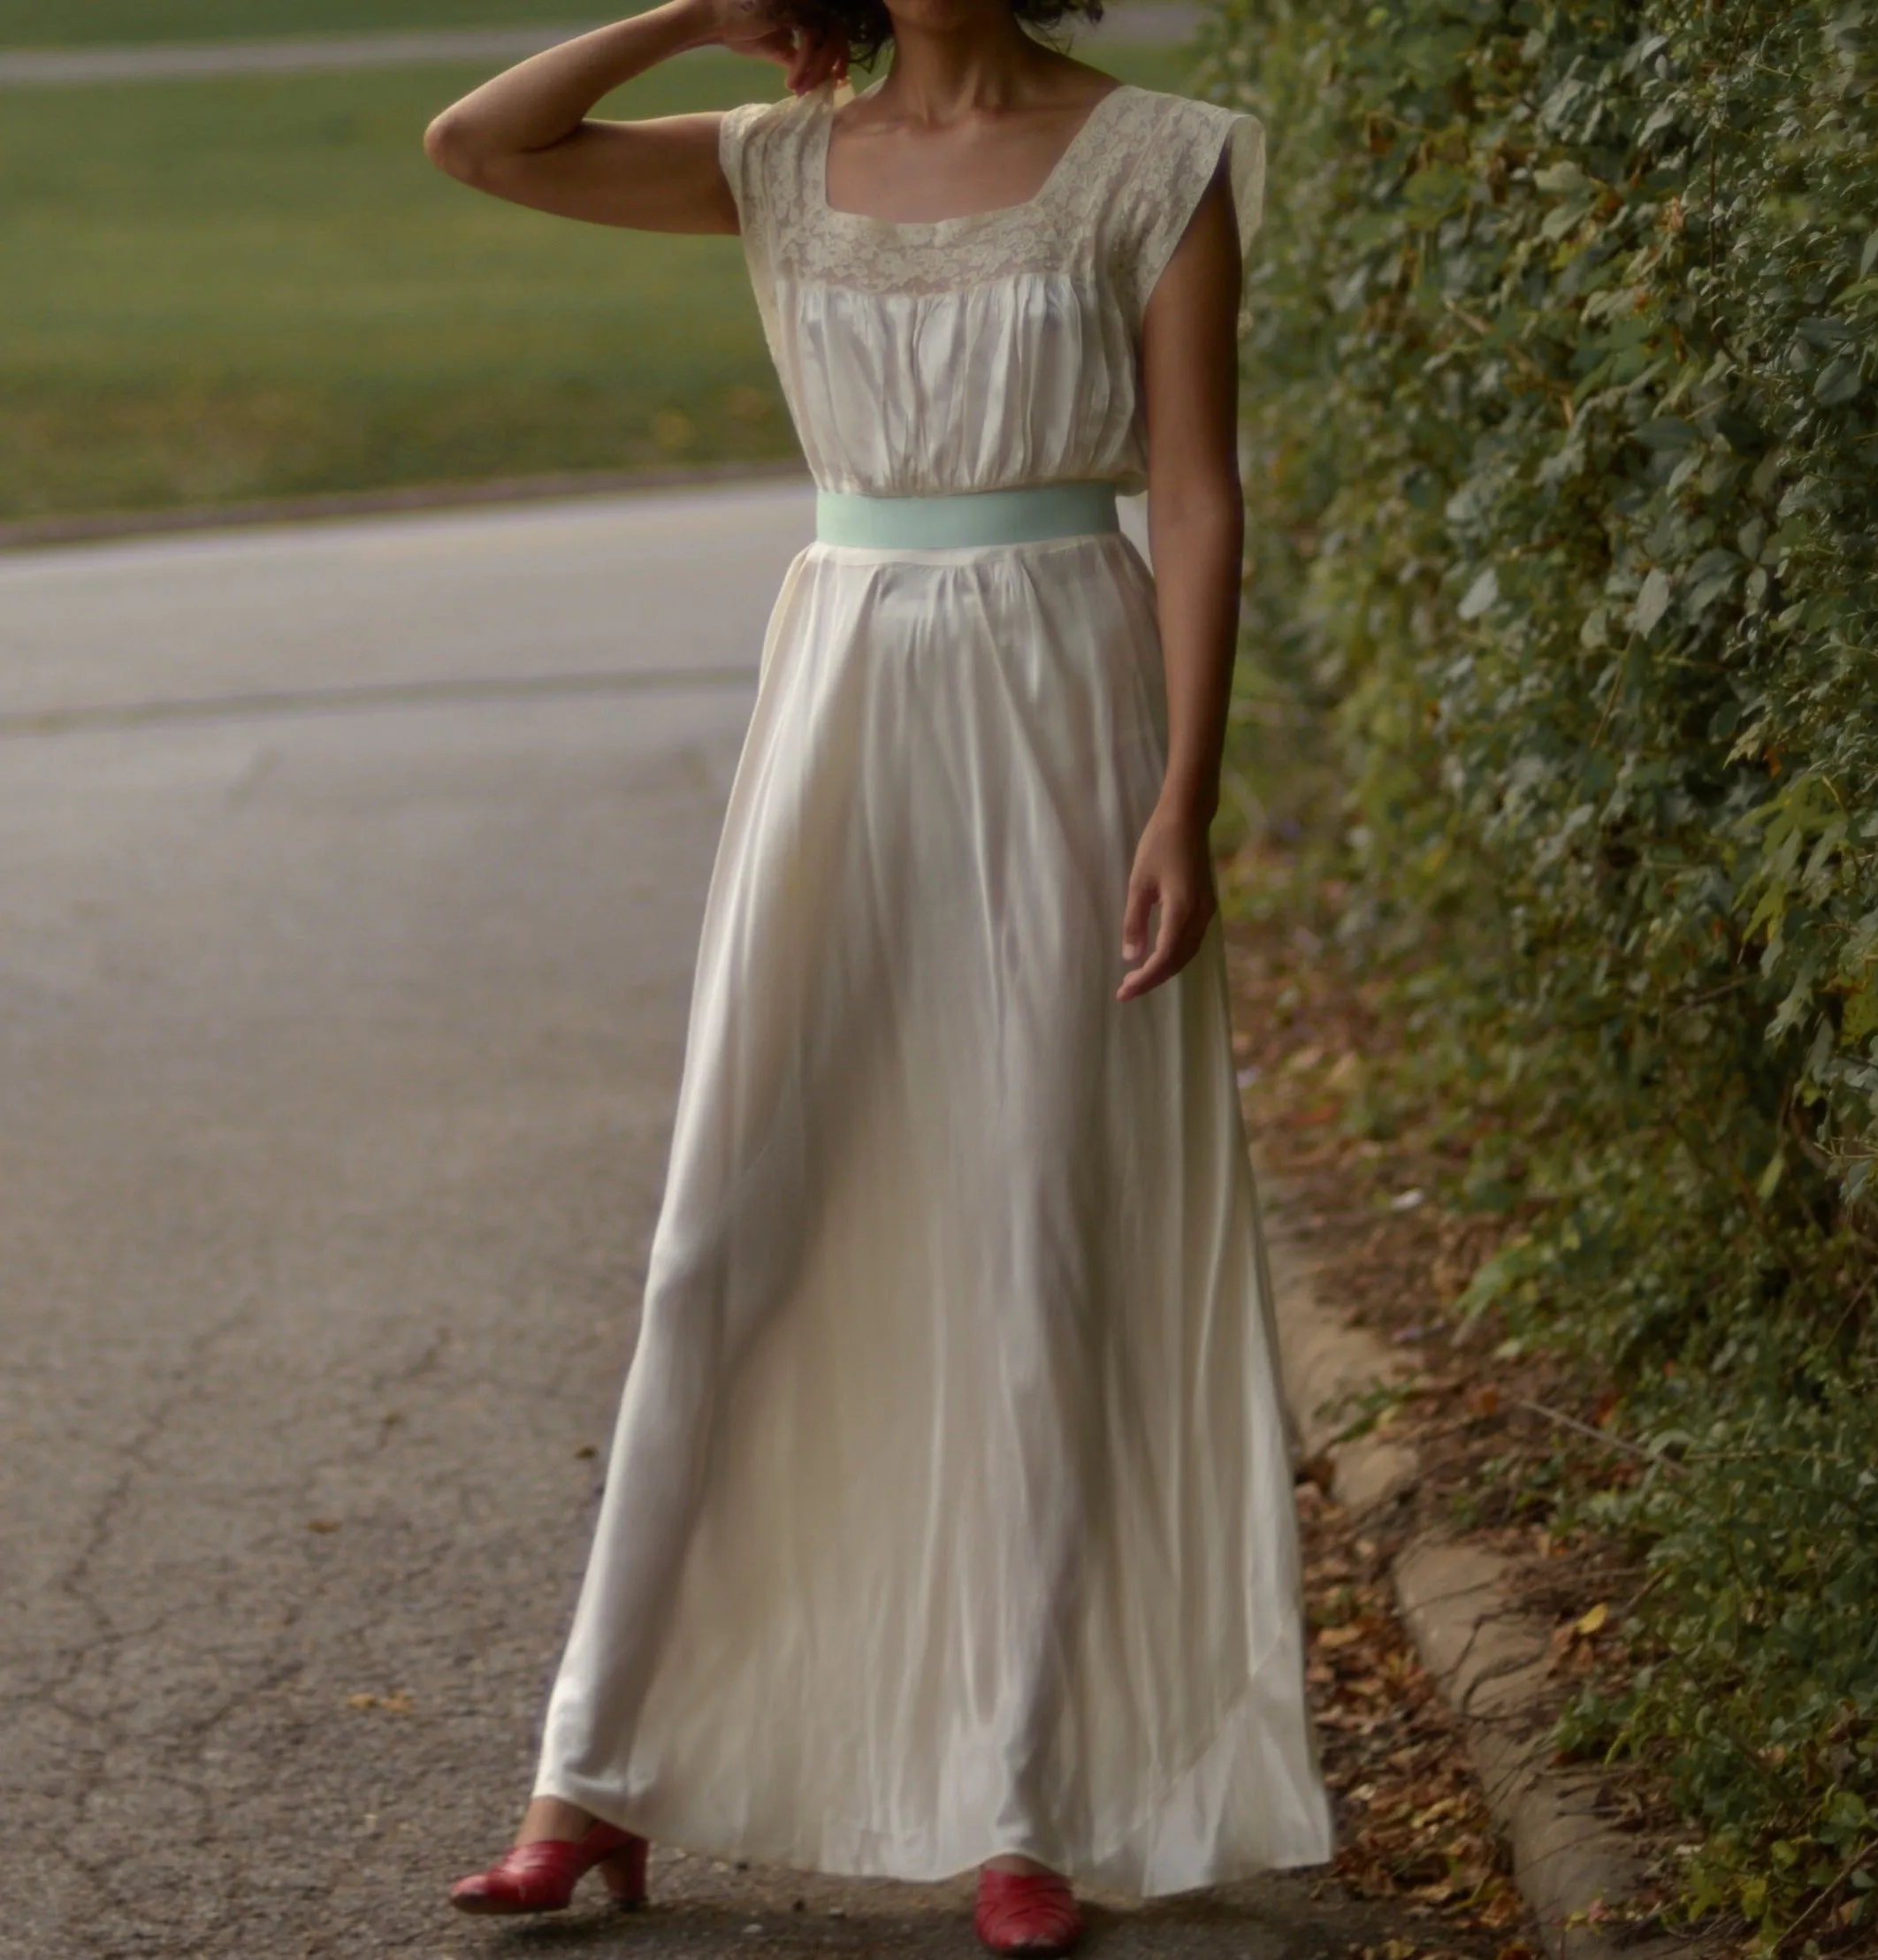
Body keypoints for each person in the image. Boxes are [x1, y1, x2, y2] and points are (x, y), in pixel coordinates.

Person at [423, 0, 1332, 1949]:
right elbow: (479, 143)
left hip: (1062, 702)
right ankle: (592, 1777)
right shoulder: (775, 155)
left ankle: (1024, 1795)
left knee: (1029, 1240)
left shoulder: (1154, 155)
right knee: (722, 1233)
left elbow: (1190, 495)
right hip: (839, 689)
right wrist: (693, 7)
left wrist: (1181, 796)